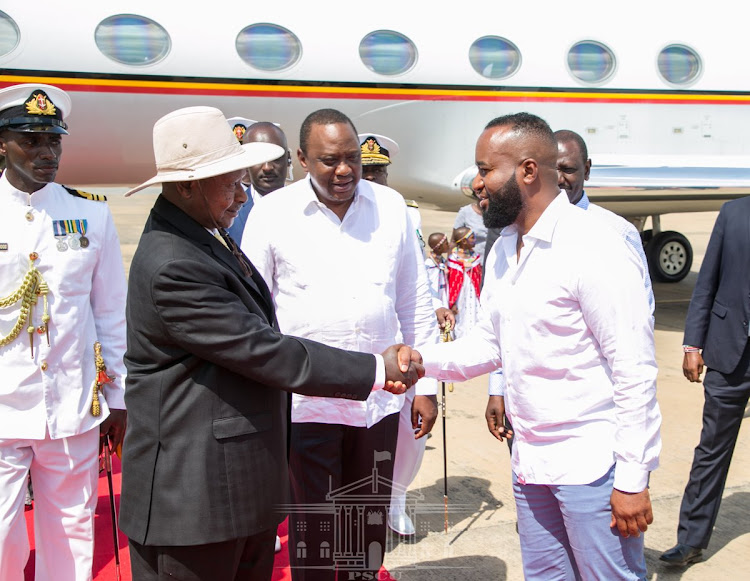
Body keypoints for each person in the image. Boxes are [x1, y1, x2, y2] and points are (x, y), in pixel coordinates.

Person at [118, 106, 421, 581]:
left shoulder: (204, 238)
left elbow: (411, 294)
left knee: (364, 536)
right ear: (186, 186)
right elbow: (263, 347)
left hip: (235, 487)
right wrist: (376, 371)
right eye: (231, 183)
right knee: (319, 547)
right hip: (195, 502)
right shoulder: (174, 264)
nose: (243, 195)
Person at [413, 112, 662, 580]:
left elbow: (634, 370)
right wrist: (420, 361)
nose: (477, 183)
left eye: (486, 169)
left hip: (592, 468)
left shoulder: (596, 245)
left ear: (528, 171)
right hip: (531, 463)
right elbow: (489, 343)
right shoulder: (506, 247)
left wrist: (632, 479)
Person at [243, 109, 439, 578]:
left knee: (367, 535)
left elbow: (414, 298)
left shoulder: (391, 207)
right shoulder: (272, 214)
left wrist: (427, 387)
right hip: (307, 405)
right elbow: (253, 310)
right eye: (329, 160)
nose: (345, 170)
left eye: (351, 158)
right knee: (317, 535)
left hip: (380, 403)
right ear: (302, 159)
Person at [0, 83, 128, 580]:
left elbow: (111, 314)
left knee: (72, 533)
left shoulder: (90, 213)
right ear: (1, 143)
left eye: (54, 140)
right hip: (3, 408)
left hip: (71, 407)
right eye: (30, 140)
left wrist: (118, 396)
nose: (46, 152)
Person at [485, 128, 656, 449]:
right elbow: (500, 326)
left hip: (588, 418)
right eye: (555, 169)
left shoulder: (615, 234)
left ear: (587, 170)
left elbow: (636, 333)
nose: (561, 179)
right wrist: (498, 388)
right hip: (527, 412)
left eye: (570, 169)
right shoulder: (512, 235)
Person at [659, 196, 750, 567]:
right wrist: (692, 344)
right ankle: (691, 541)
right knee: (711, 449)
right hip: (730, 352)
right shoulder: (733, 212)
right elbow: (707, 281)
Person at [225, 119, 291, 241]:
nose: (267, 167)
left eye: (275, 157)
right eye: (259, 158)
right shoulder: (227, 215)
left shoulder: (309, 208)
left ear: (288, 158)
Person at [447, 227, 482, 338]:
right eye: (472, 238)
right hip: (460, 297)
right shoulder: (453, 260)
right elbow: (452, 283)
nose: (475, 239)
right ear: (463, 241)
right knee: (461, 318)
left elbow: (479, 278)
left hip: (474, 295)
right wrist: (452, 304)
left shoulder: (475, 257)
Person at [453, 192, 488, 263]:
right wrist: (451, 264)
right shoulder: (465, 212)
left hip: (492, 262)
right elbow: (454, 240)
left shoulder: (496, 214)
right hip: (470, 263)